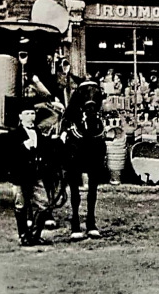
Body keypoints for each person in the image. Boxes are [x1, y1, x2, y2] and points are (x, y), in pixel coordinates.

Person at [60, 73, 106, 240]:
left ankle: (91, 223)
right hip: (74, 124)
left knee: (93, 185)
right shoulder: (74, 107)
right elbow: (68, 116)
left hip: (93, 131)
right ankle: (75, 223)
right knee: (61, 137)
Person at [9, 106, 57, 246]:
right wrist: (23, 148)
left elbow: (46, 148)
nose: (30, 116)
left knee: (43, 204)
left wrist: (59, 139)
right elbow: (10, 156)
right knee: (21, 205)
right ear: (20, 116)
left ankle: (35, 235)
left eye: (32, 113)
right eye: (27, 113)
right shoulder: (14, 134)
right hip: (20, 176)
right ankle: (23, 236)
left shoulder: (37, 132)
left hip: (36, 174)